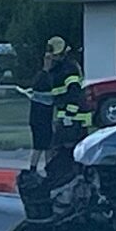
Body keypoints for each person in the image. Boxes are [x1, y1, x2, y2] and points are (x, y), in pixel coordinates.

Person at [44, 37, 88, 179]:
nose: (52, 57)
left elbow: (75, 93)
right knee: (62, 150)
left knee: (65, 150)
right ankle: (66, 177)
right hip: (66, 117)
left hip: (75, 118)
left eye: (54, 55)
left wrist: (69, 114)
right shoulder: (58, 69)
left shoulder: (69, 68)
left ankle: (70, 178)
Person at [25, 49, 56, 172]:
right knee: (41, 146)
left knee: (46, 146)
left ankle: (46, 169)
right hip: (41, 120)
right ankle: (39, 170)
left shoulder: (42, 77)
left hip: (41, 120)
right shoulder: (44, 77)